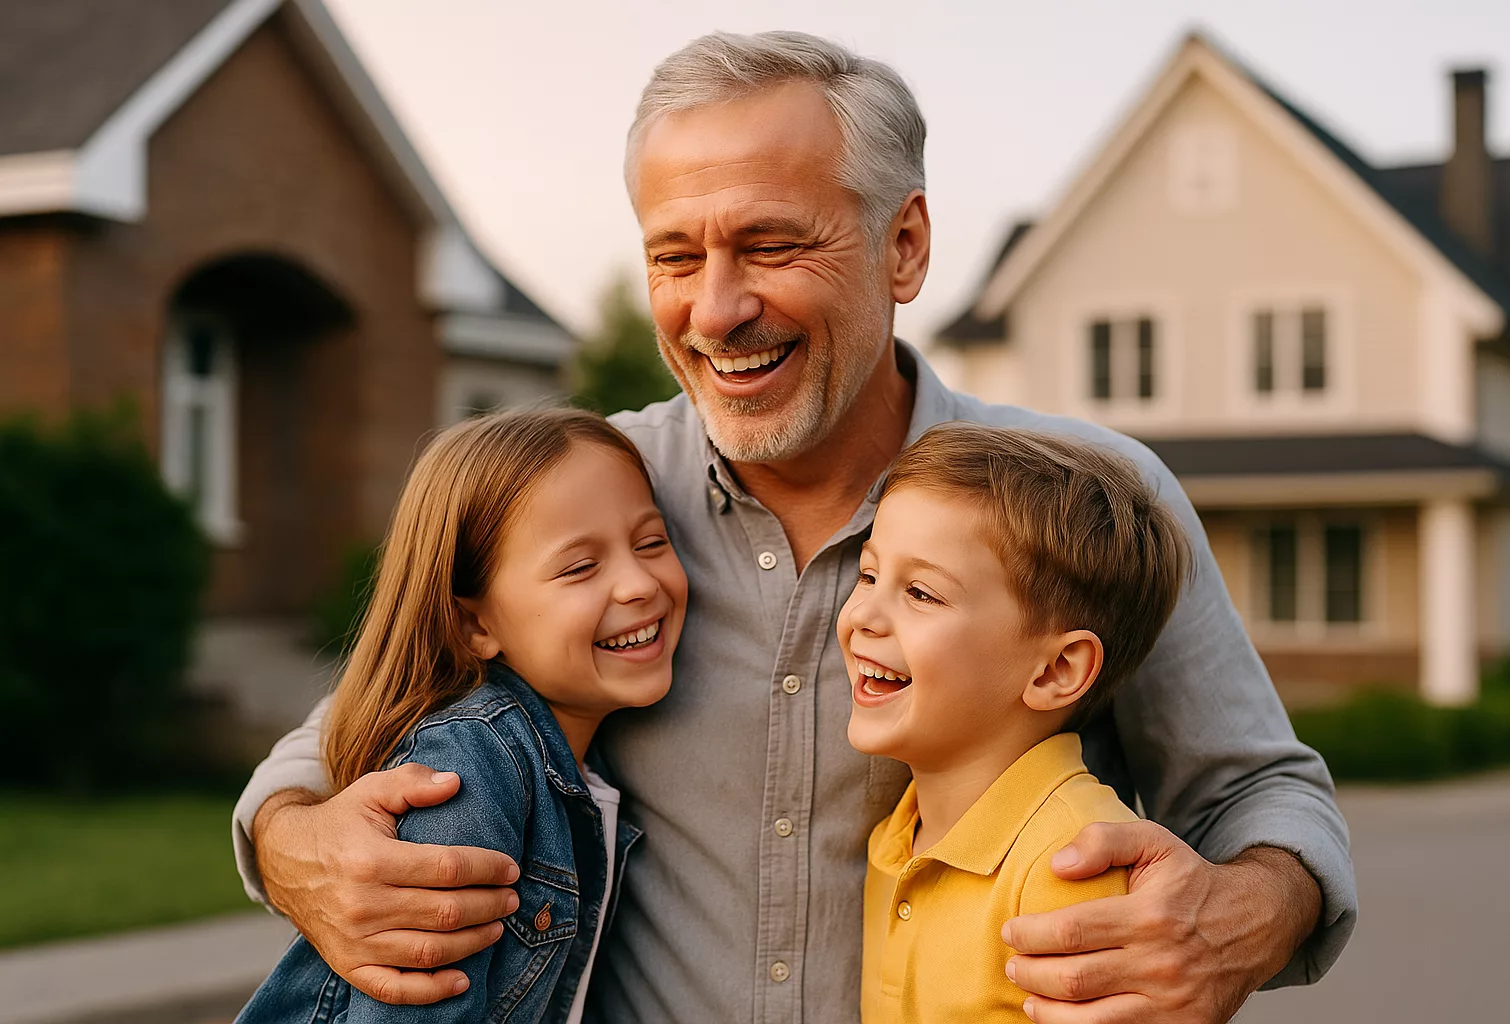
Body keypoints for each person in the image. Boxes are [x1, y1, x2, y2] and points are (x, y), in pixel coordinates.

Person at [232, 31, 1357, 1024]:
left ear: (904, 246)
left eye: (770, 245)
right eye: (676, 256)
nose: (715, 309)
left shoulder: (1093, 497)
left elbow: (1260, 790)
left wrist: (1243, 913)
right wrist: (297, 850)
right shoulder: (584, 498)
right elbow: (341, 747)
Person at [235, 408, 687, 1022]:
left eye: (652, 542)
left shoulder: (560, 757)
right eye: (581, 567)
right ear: (476, 623)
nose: (638, 583)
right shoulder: (469, 770)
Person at [845, 424, 1189, 1022]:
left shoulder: (1071, 868)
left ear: (1055, 669)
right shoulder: (896, 837)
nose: (863, 616)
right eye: (869, 575)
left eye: (922, 593)